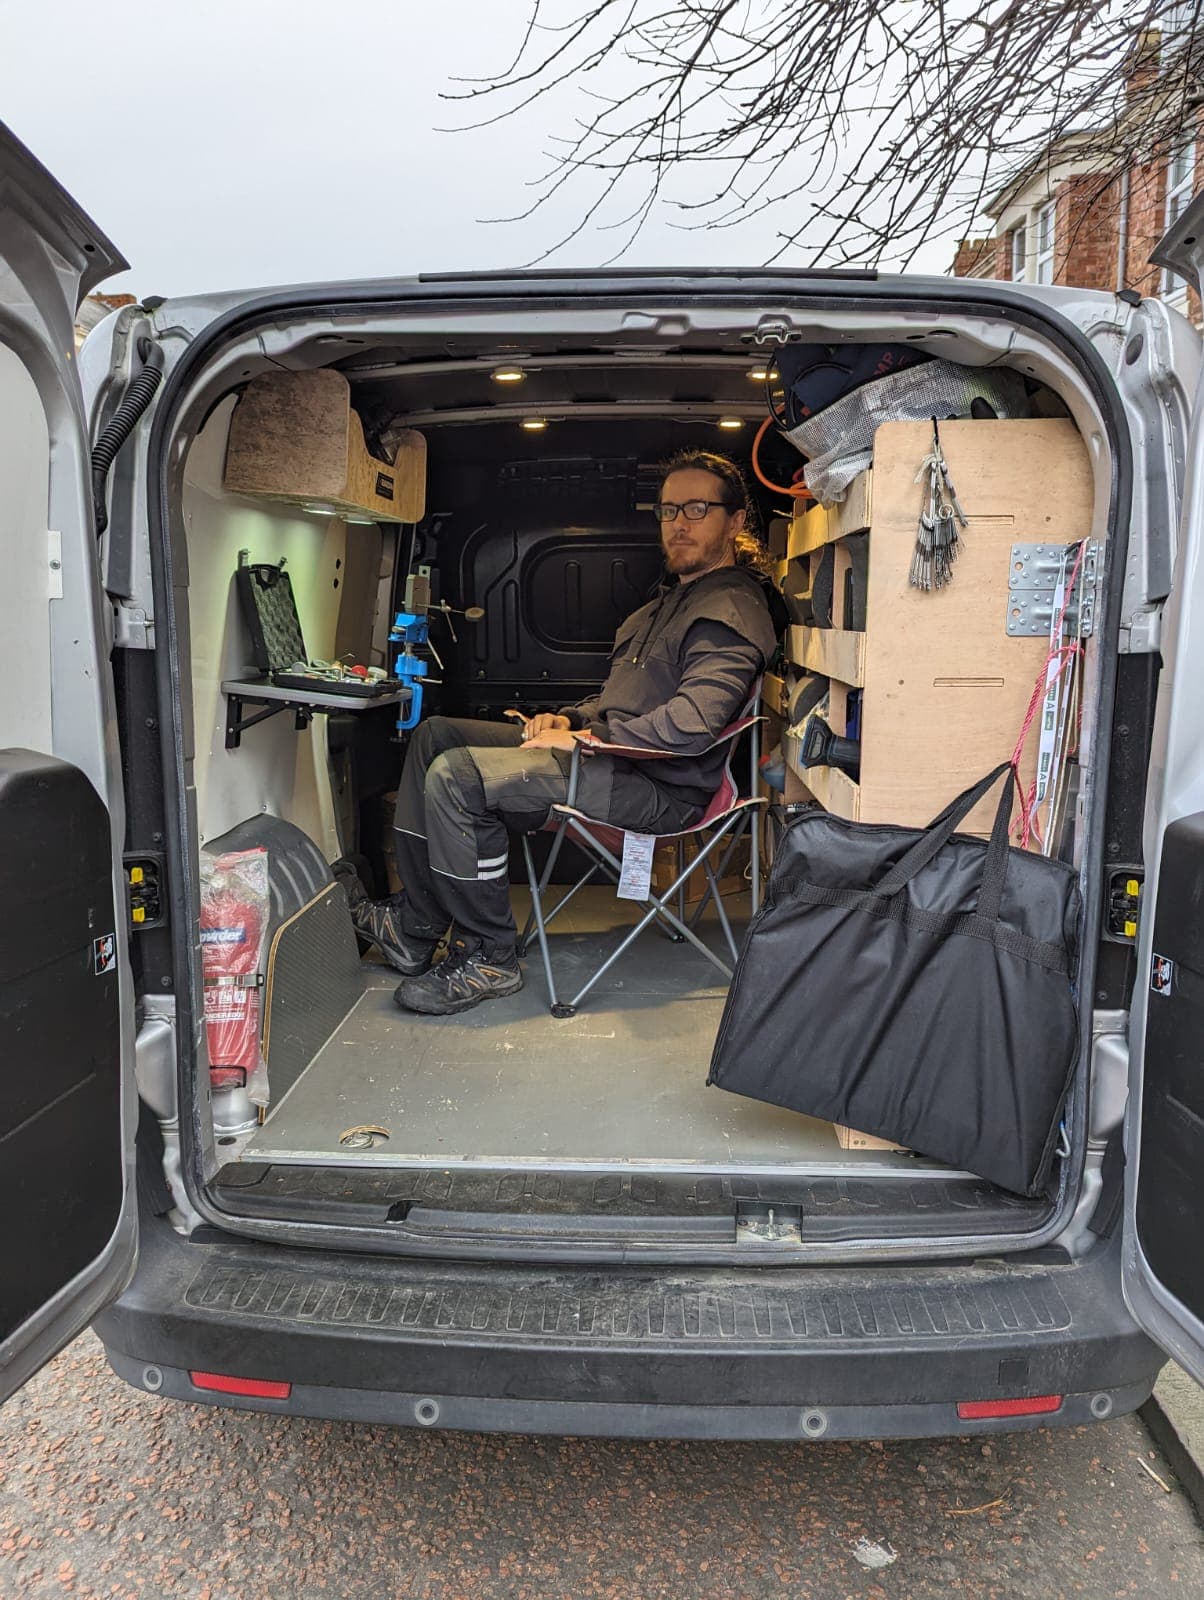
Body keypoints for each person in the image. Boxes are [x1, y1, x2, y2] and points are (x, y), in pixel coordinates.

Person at [340, 450, 778, 1016]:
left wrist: (582, 742)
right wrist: (569, 719)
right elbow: (622, 702)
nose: (679, 523)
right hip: (615, 762)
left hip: (659, 789)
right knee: (436, 736)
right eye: (669, 510)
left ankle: (489, 956)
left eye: (698, 508)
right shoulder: (666, 603)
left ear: (736, 521)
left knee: (457, 777)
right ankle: (415, 926)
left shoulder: (731, 607)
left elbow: (690, 726)